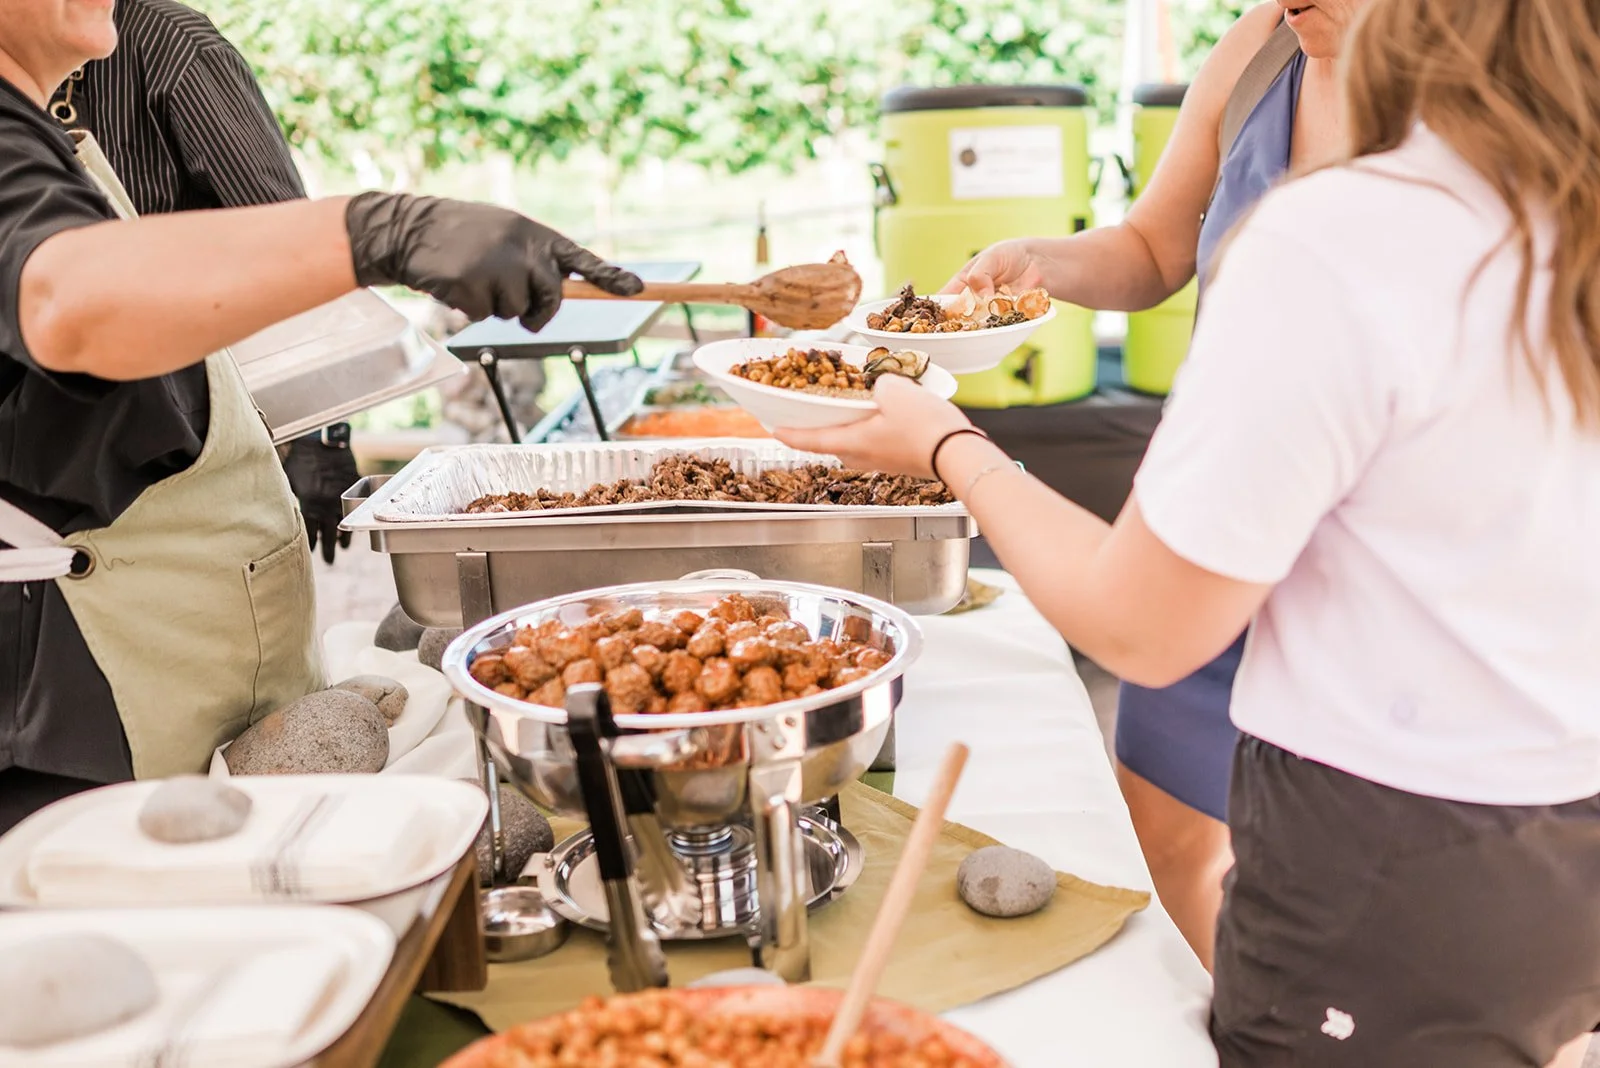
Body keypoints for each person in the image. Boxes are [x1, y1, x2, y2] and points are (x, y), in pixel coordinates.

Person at [779, 0, 1600, 1062]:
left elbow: (1138, 626)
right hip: (1543, 810)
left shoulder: (1342, 236)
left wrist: (947, 446)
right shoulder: (1537, 184)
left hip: (1384, 846)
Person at [0, 0, 642, 834]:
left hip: (193, 684)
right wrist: (382, 229)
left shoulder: (48, 132)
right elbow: (65, 297)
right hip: (73, 713)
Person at [934, 0, 1369, 971]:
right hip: (1208, 524)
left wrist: (944, 446)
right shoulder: (1258, 51)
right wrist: (1037, 263)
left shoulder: (1495, 89)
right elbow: (1151, 251)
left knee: (1366, 894)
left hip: (1374, 560)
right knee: (1169, 846)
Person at [48, 0, 356, 566]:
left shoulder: (173, 45)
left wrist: (324, 435)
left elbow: (288, 244)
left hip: (193, 450)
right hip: (55, 465)